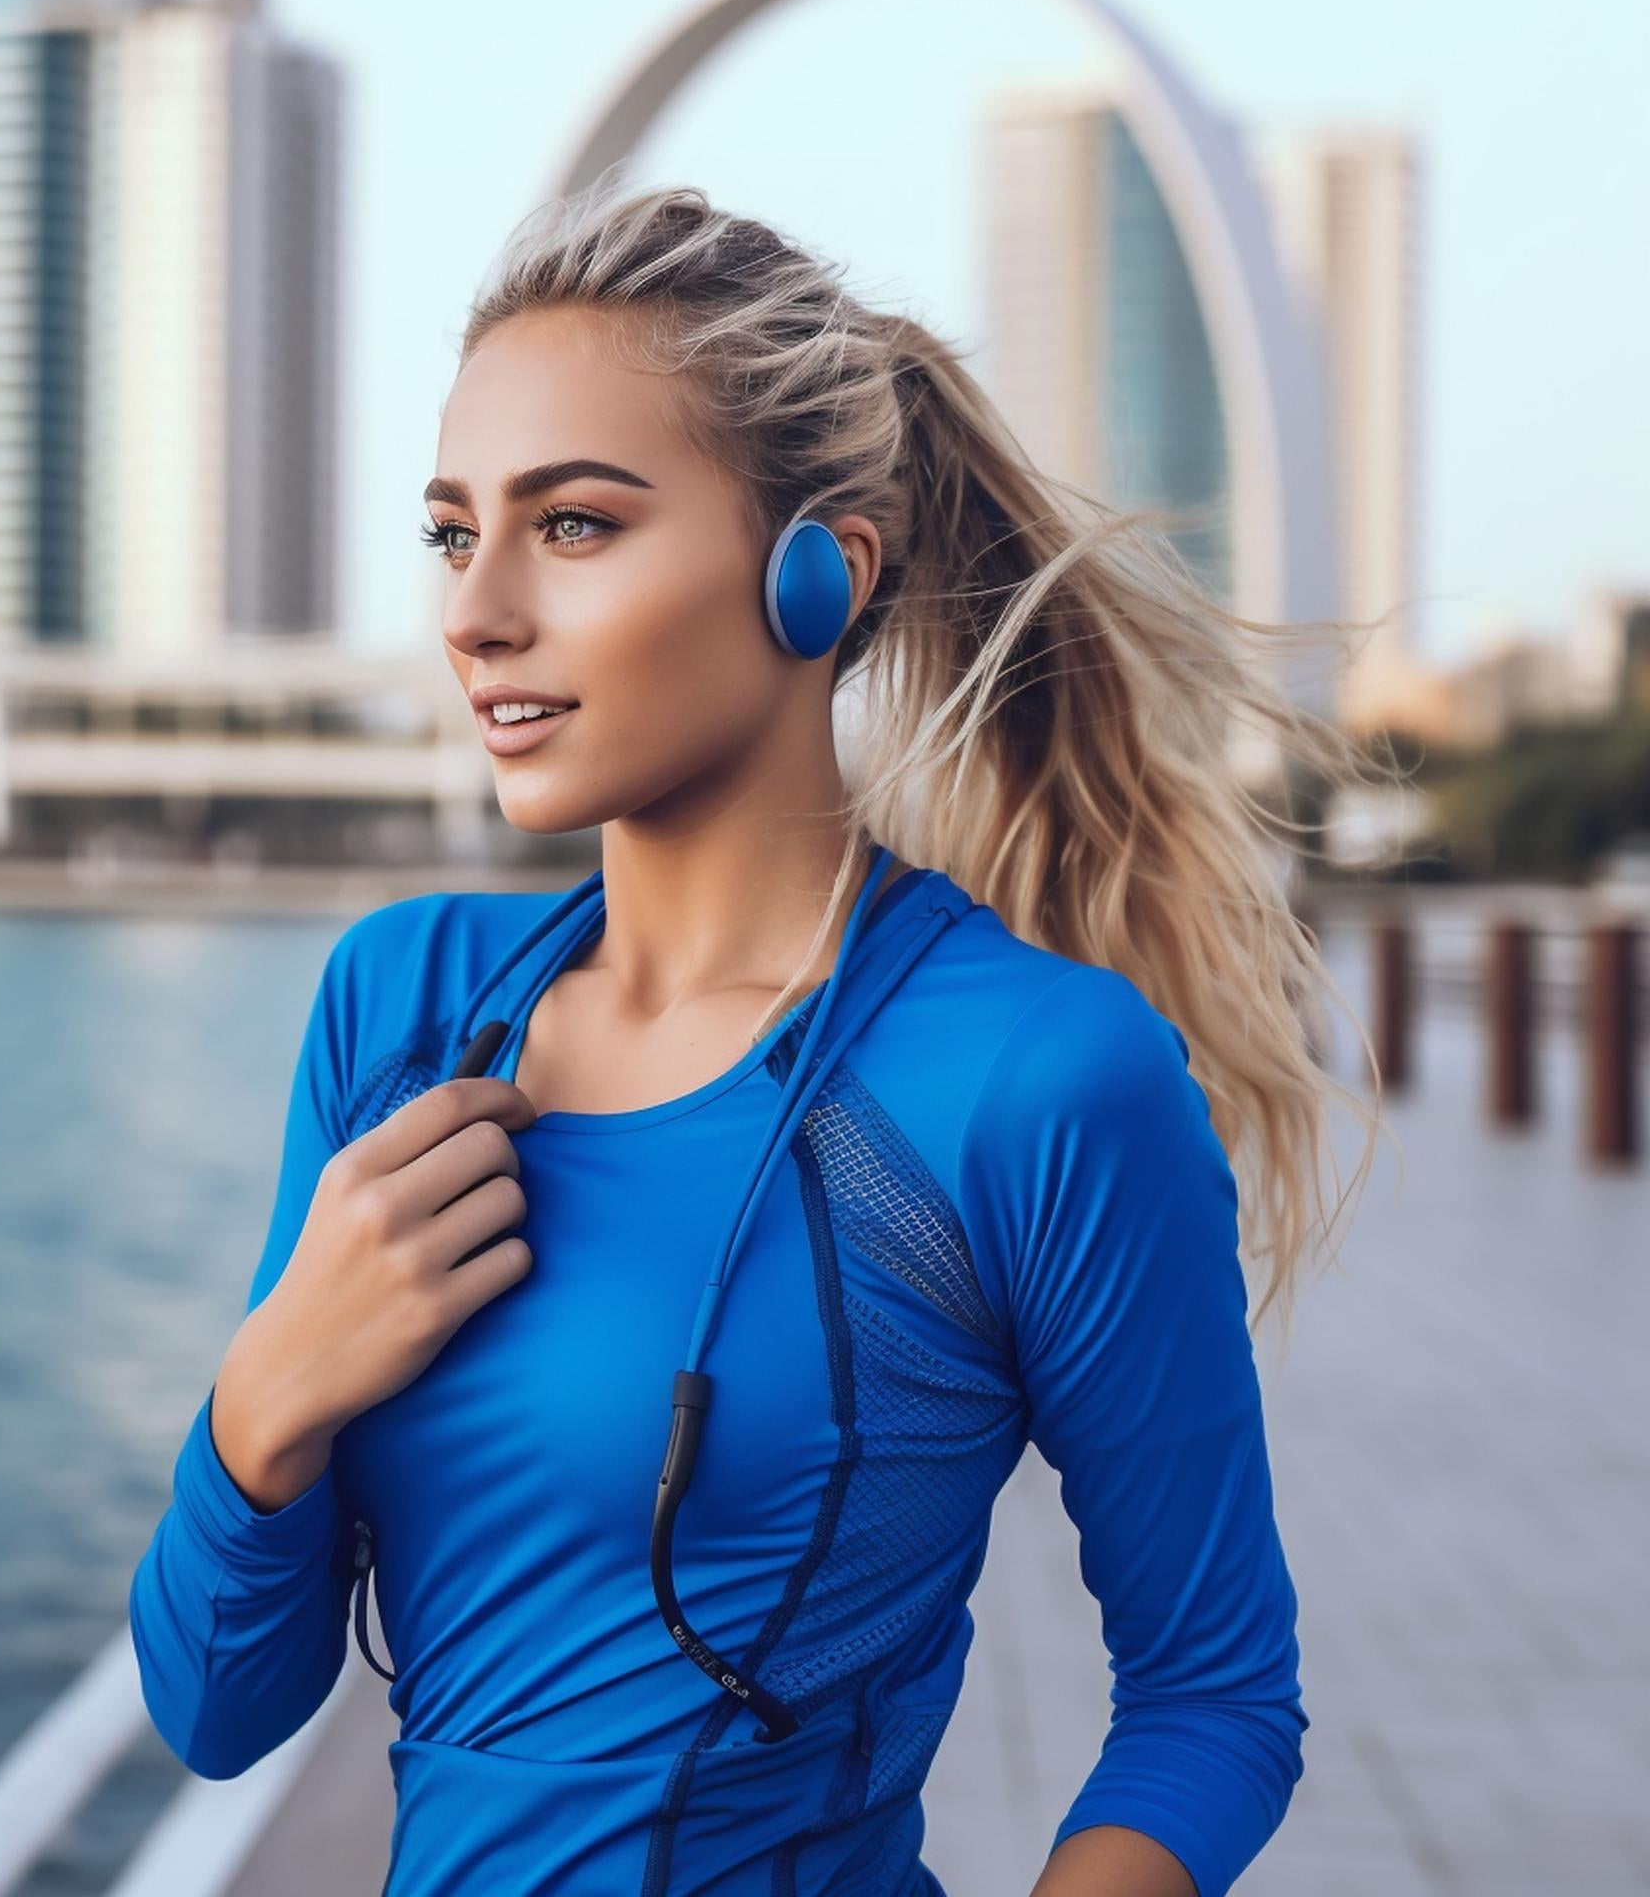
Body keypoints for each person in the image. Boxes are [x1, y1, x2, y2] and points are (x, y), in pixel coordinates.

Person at [128, 177, 1380, 1897]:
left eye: (574, 524)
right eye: (451, 533)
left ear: (818, 575)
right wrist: (265, 1404)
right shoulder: (407, 1007)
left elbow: (1214, 1699)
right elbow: (216, 1710)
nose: (476, 610)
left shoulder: (1032, 1077)